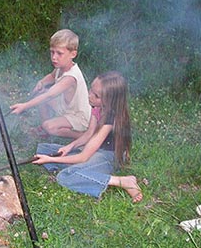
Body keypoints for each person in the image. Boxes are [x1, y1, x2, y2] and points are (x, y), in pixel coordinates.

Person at [33, 71, 143, 203]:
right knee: (43, 148)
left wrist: (50, 159)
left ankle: (122, 180)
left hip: (108, 157)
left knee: (65, 177)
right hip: (94, 150)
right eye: (91, 89)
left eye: (96, 95)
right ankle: (81, 170)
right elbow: (88, 134)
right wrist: (70, 146)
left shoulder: (110, 119)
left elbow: (83, 156)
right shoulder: (97, 107)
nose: (89, 95)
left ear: (109, 101)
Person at [10, 29, 91, 139]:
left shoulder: (71, 77)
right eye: (52, 52)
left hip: (78, 116)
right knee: (41, 96)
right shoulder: (61, 67)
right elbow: (52, 76)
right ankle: (45, 131)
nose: (54, 57)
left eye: (59, 53)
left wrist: (25, 105)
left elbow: (50, 95)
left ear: (73, 54)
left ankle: (83, 136)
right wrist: (42, 82)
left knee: (50, 125)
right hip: (66, 108)